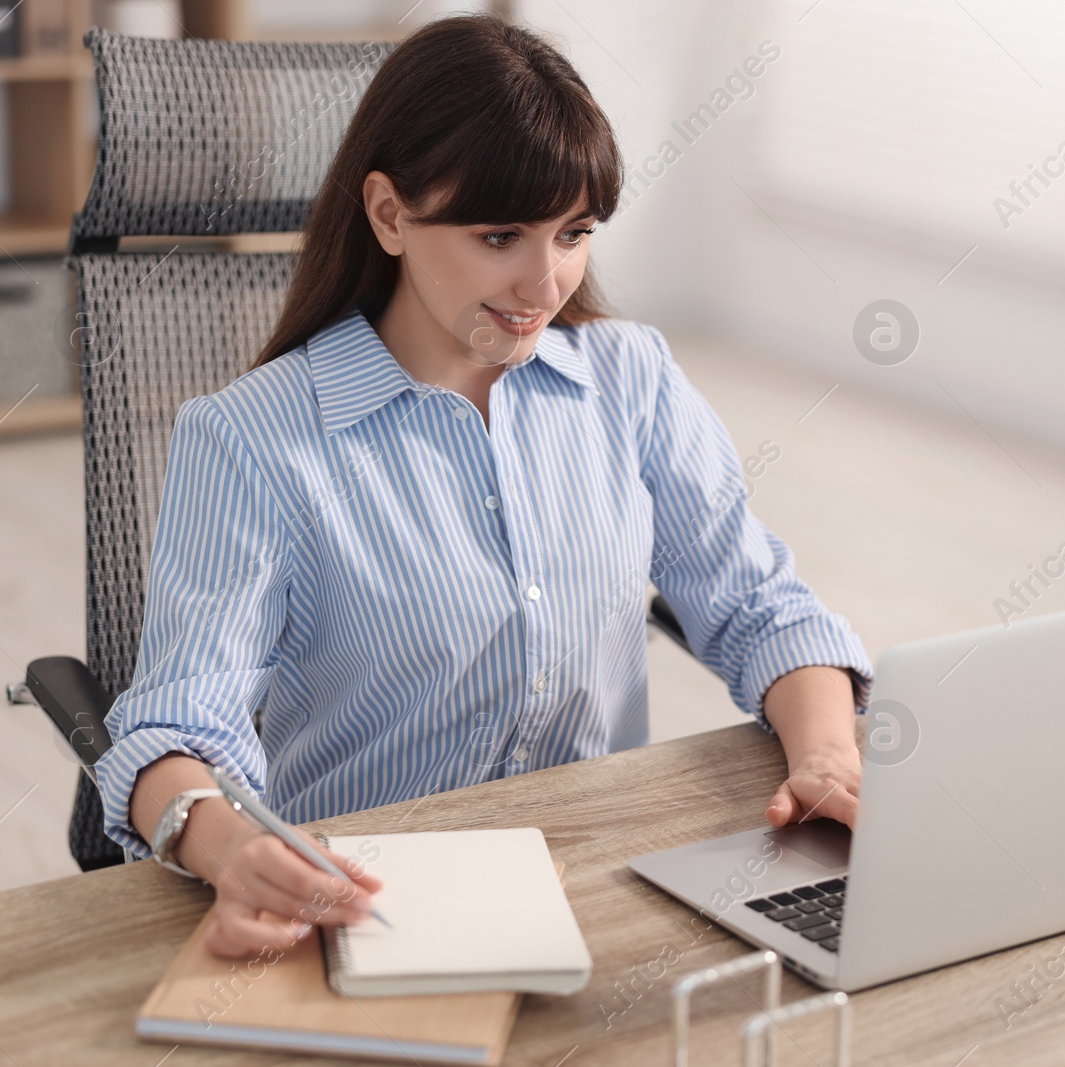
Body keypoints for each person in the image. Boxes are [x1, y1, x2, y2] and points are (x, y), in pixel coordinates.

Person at [99, 14, 872, 959]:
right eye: (500, 234)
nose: (545, 282)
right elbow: (177, 720)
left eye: (575, 233)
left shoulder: (630, 379)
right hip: (368, 904)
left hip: (599, 884)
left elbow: (760, 604)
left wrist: (828, 755)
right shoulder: (253, 438)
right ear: (388, 214)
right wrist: (230, 844)